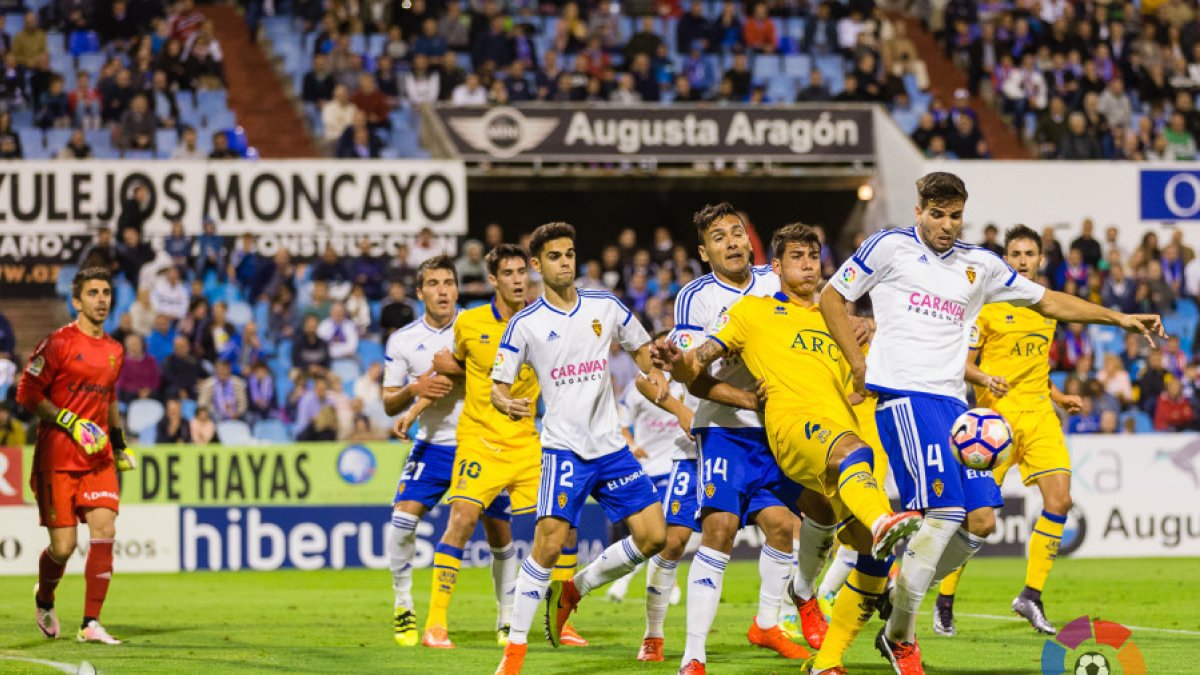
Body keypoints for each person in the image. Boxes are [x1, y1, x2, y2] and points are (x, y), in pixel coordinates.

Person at [820, 172, 1164, 674]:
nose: (945, 224)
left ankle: (899, 589)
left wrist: (1119, 317)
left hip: (956, 407)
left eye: (954, 215)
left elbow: (1047, 299)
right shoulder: (889, 247)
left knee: (979, 522)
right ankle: (901, 636)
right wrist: (858, 364)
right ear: (918, 211)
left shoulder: (978, 264)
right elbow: (833, 296)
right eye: (936, 214)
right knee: (943, 514)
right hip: (904, 398)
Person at [657, 223, 922, 674]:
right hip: (785, 428)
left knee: (867, 555)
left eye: (813, 257)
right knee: (721, 528)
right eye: (796, 257)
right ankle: (693, 657)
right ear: (775, 266)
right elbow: (698, 361)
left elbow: (856, 385)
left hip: (832, 428)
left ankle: (826, 656)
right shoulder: (751, 311)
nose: (807, 265)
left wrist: (872, 338)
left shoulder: (832, 320)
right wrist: (681, 363)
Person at [492, 223, 669, 675]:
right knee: (547, 545)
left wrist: (657, 373)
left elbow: (641, 345)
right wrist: (505, 400)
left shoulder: (604, 306)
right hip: (564, 449)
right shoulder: (525, 324)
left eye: (570, 254)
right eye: (554, 256)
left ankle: (574, 590)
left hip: (611, 446)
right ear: (537, 265)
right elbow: (498, 385)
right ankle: (513, 655)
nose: (565, 262)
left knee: (654, 536)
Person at [661, 203, 828, 672]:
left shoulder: (776, 281)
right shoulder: (696, 296)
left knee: (784, 526)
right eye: (719, 237)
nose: (733, 242)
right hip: (724, 431)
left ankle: (768, 623)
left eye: (737, 233)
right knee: (720, 530)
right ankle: (694, 655)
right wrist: (749, 399)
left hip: (779, 431)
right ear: (703, 250)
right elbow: (692, 376)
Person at [420, 244, 582, 649]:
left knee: (563, 529)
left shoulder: (545, 322)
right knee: (461, 519)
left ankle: (562, 623)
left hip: (527, 443)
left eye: (520, 273)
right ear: (493, 279)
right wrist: (436, 381)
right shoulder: (470, 323)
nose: (516, 281)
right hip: (479, 440)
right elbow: (465, 365)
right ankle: (435, 623)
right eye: (507, 273)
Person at [932, 225, 1086, 638]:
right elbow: (962, 363)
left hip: (1039, 416)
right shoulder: (987, 307)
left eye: (1029, 254)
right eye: (1014, 253)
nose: (1022, 260)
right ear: (1005, 260)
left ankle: (1030, 596)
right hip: (993, 425)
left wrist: (1058, 396)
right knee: (976, 517)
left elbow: (1036, 366)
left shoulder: (1047, 308)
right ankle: (945, 598)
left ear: (1039, 259)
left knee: (1060, 498)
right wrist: (984, 376)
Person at [381, 256, 515, 647]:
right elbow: (389, 402)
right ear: (420, 292)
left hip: (481, 441)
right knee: (403, 520)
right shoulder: (403, 340)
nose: (443, 290)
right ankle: (403, 604)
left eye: (449, 282)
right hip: (434, 445)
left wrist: (452, 372)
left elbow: (492, 371)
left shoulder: (476, 325)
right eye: (434, 283)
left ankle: (505, 617)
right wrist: (413, 391)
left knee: (499, 533)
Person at [15, 266, 136, 645]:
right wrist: (68, 419)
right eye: (94, 293)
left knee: (105, 530)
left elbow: (110, 397)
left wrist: (117, 443)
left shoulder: (115, 350)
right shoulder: (58, 344)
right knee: (63, 547)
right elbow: (27, 393)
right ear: (76, 301)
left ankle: (90, 623)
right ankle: (44, 597)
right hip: (58, 458)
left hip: (97, 458)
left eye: (106, 293)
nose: (102, 300)